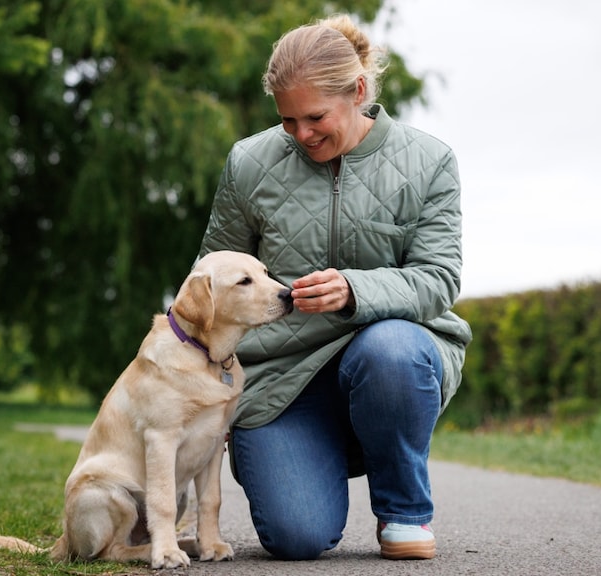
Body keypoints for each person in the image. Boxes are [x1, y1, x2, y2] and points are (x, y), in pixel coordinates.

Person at [196, 13, 472, 561]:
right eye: (288, 120)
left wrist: (355, 291)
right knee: (296, 537)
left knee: (391, 347)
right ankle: (308, 461)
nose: (302, 134)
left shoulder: (429, 161)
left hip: (390, 360)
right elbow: (210, 279)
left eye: (315, 116)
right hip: (279, 378)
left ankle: (403, 513)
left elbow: (439, 279)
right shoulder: (249, 162)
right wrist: (209, 390)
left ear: (360, 91)